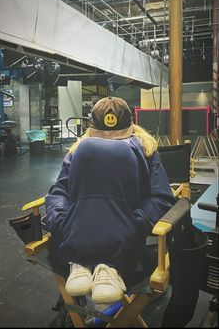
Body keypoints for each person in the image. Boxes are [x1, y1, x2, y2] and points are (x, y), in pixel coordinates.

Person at [45, 96, 175, 304]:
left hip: (125, 241)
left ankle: (98, 265)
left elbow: (161, 196)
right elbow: (59, 192)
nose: (109, 143)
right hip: (77, 232)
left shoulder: (145, 150)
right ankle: (81, 262)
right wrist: (62, 221)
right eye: (103, 138)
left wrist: (136, 223)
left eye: (116, 138)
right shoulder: (79, 152)